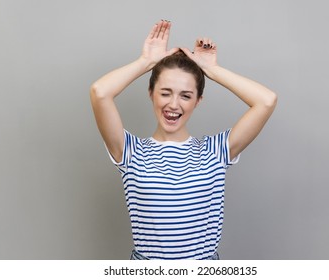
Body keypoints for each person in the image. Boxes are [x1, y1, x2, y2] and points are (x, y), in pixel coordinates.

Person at [90, 20, 277, 260]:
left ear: (198, 100)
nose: (173, 105)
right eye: (165, 93)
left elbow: (266, 100)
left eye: (186, 96)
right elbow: (100, 92)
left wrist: (212, 69)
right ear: (151, 93)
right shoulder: (129, 152)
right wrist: (146, 61)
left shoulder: (215, 151)